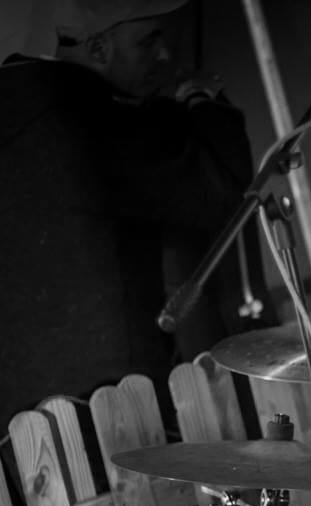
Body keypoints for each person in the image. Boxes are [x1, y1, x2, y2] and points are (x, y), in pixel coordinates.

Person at [0, 0, 273, 431]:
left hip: (22, 426)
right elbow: (218, 185)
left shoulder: (18, 113)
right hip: (114, 407)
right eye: (148, 40)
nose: (164, 55)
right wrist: (203, 101)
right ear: (99, 47)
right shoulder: (90, 117)